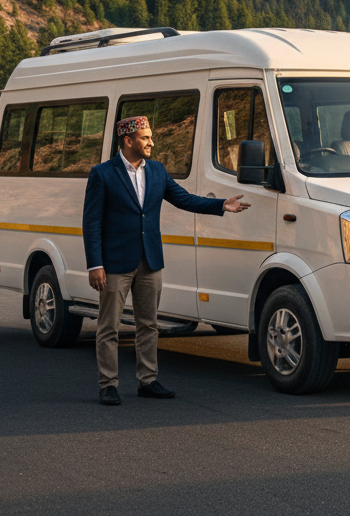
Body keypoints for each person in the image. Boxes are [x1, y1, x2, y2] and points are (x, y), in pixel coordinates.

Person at [83, 115, 251, 406]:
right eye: (145, 137)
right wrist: (95, 264)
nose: (151, 142)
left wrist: (221, 205)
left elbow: (184, 199)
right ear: (128, 140)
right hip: (114, 264)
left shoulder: (158, 172)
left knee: (148, 324)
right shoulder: (102, 174)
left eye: (150, 137)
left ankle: (147, 380)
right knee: (109, 326)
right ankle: (108, 384)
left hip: (150, 260)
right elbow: (91, 222)